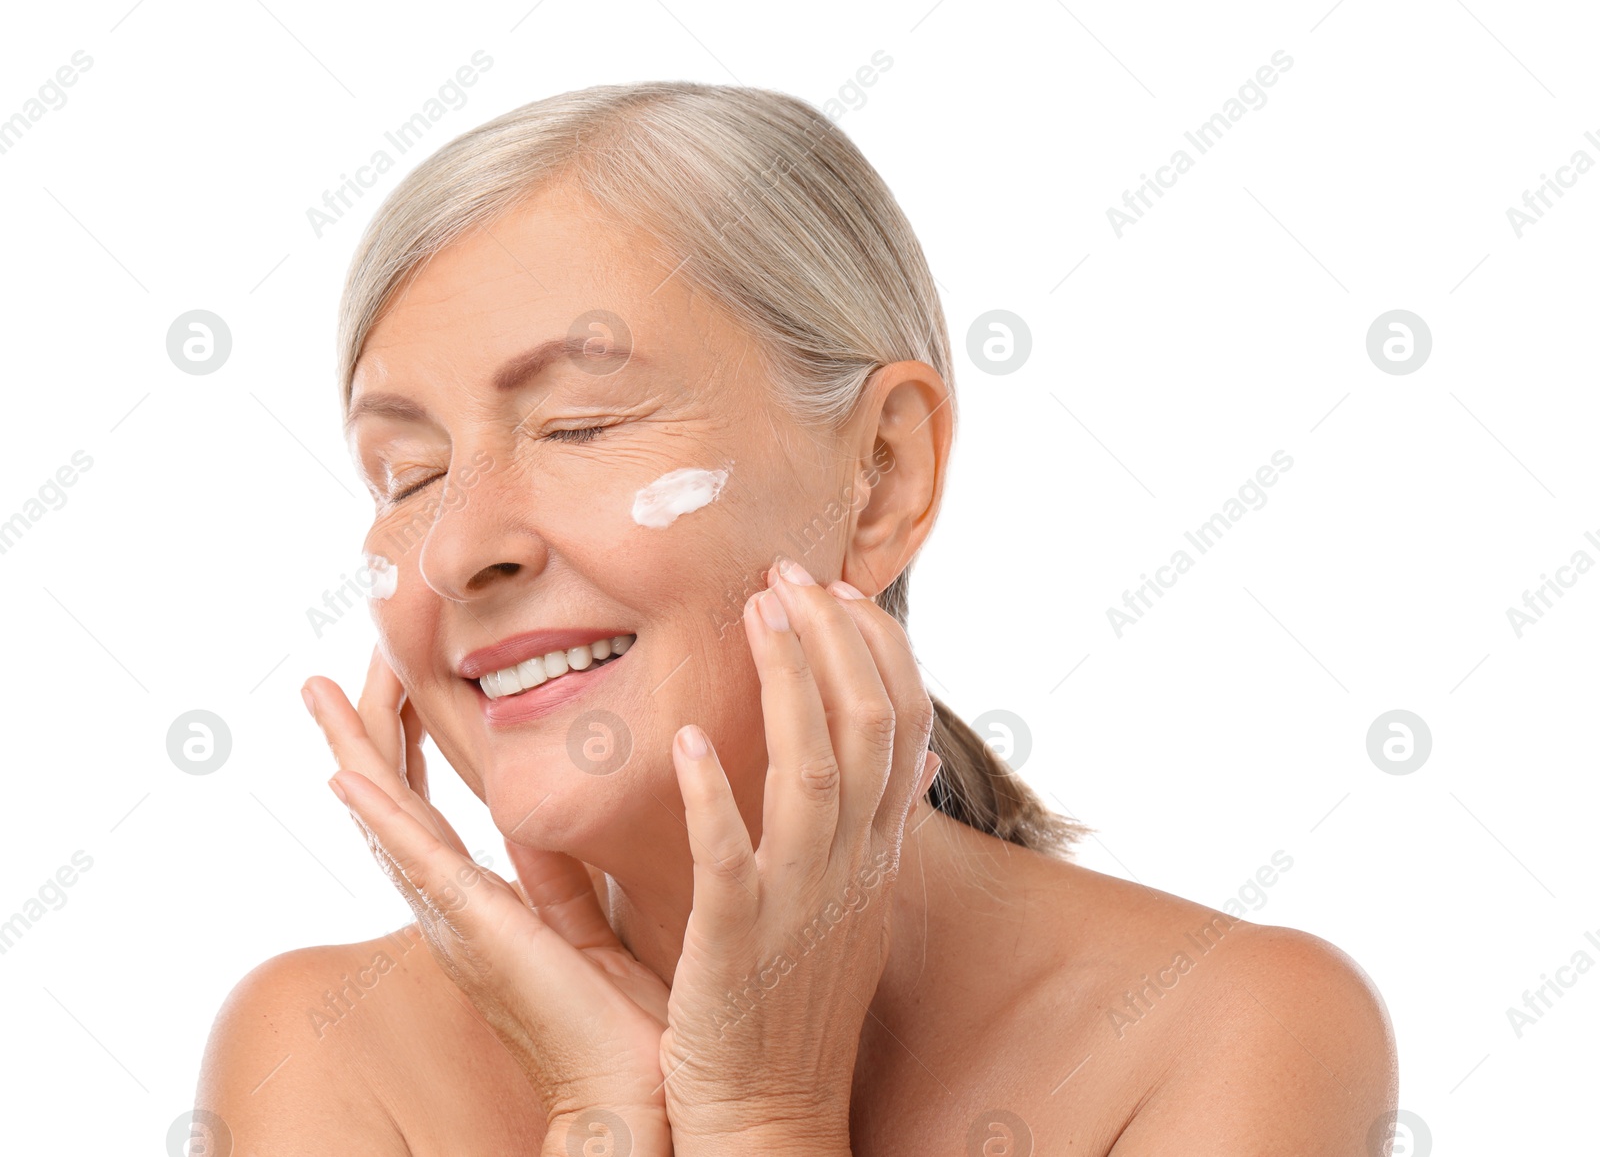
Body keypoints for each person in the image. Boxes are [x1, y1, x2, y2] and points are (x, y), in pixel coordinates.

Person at [197, 82, 1397, 1155]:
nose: (457, 549)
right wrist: (605, 1119)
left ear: (878, 476)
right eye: (404, 476)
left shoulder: (1230, 1030)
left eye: (577, 428)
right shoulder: (320, 1057)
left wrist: (760, 1119)